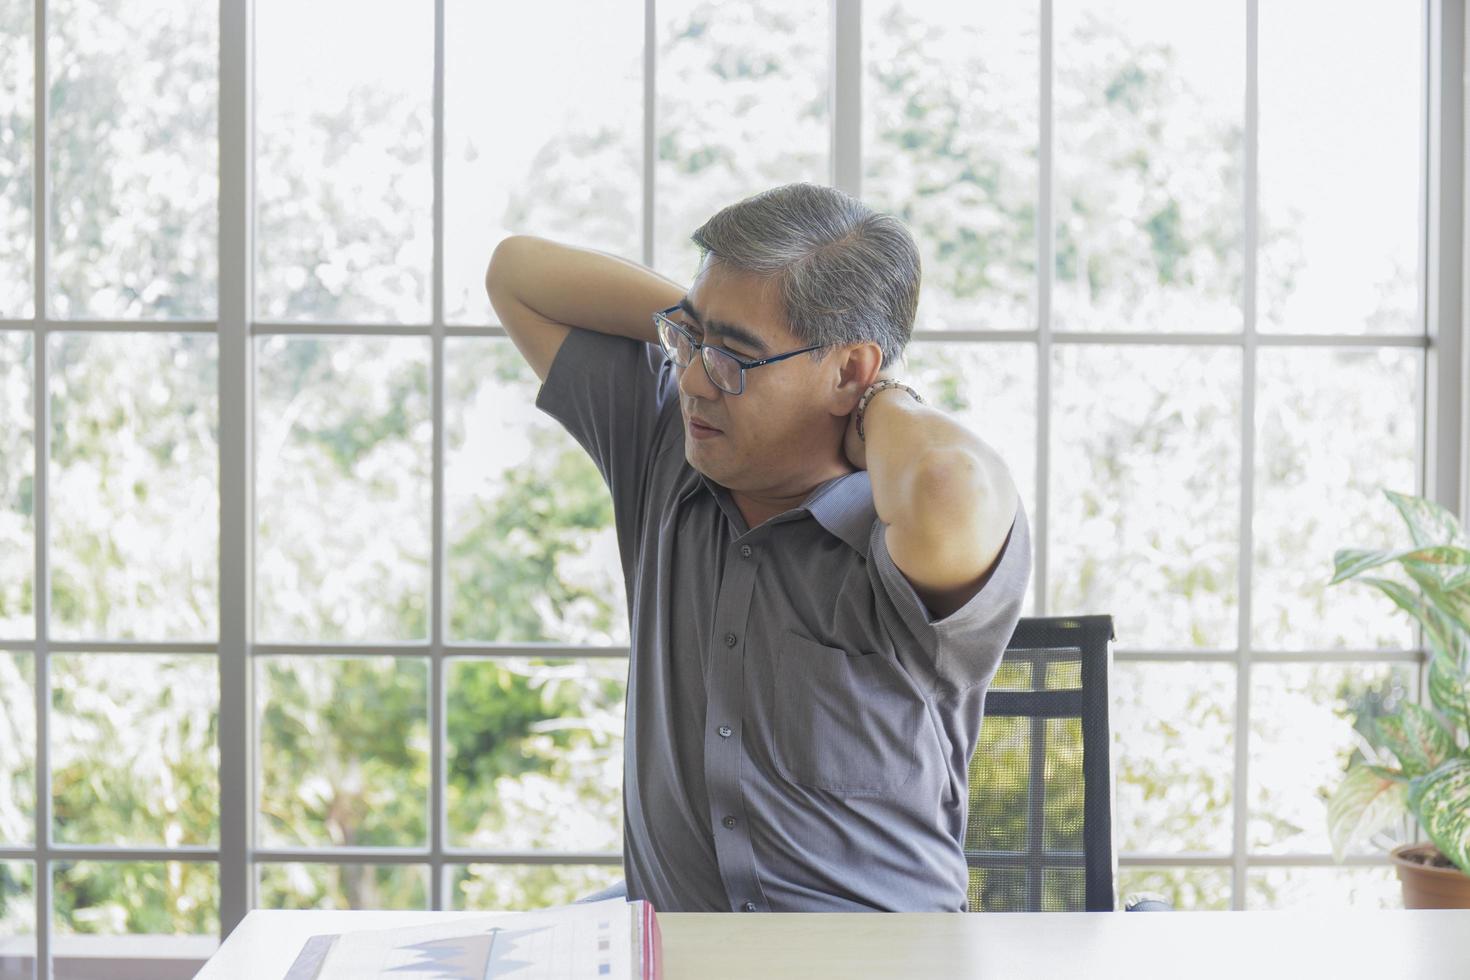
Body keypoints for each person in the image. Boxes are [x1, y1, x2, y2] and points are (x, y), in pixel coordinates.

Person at [484, 182, 1031, 912]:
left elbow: (945, 475)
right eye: (688, 343)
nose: (692, 381)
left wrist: (881, 402)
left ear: (849, 370)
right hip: (682, 958)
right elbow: (516, 273)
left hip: (877, 962)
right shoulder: (662, 452)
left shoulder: (909, 537)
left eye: (735, 358)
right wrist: (708, 324)